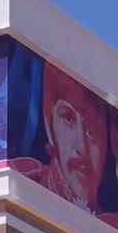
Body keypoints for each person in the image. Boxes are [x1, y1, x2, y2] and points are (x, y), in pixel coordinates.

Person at [37, 68, 107, 211]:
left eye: (92, 131)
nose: (81, 147)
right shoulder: (26, 183)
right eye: (68, 119)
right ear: (49, 124)